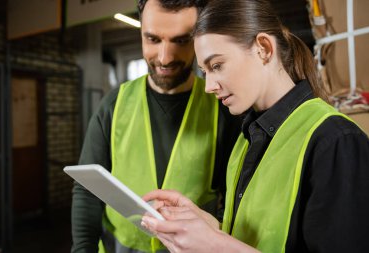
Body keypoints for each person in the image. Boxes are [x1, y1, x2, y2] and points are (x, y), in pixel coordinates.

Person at [141, 0, 369, 252]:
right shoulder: (246, 140)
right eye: (205, 72)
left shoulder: (336, 141)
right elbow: (254, 238)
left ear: (263, 48)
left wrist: (215, 245)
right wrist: (204, 225)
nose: (208, 86)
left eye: (217, 66)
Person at [70, 0, 241, 252]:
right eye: (152, 39)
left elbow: (234, 199)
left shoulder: (222, 110)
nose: (165, 57)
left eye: (181, 41)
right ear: (140, 33)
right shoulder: (113, 106)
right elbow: (87, 189)